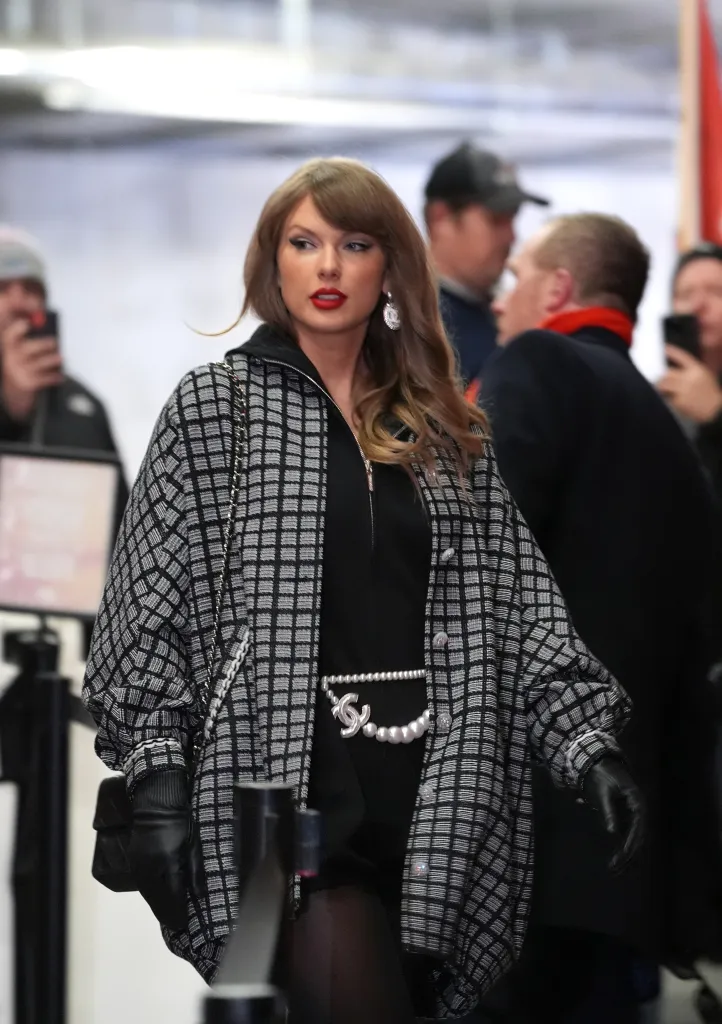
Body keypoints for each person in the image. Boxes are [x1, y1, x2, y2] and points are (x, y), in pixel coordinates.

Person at [82, 161, 643, 1023]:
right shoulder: (218, 410)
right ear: (272, 265)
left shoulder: (441, 428)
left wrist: (584, 745)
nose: (328, 266)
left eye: (353, 245)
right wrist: (158, 772)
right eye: (303, 244)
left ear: (390, 269)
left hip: (442, 791)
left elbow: (520, 602)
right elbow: (145, 606)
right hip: (287, 779)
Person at [481, 213, 722, 1023]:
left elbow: (478, 566)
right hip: (628, 857)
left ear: (557, 289)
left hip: (522, 839)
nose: (502, 300)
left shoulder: (539, 362)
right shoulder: (671, 437)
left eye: (518, 278)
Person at [0, 226, 129, 520]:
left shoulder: (86, 407)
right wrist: (10, 408)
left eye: (31, 289)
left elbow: (125, 522)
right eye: (2, 289)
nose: (19, 302)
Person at [423, 142, 548, 386]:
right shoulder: (411, 322)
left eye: (513, 219)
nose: (511, 236)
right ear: (441, 218)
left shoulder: (507, 316)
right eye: (497, 220)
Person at [659, 241, 722, 508]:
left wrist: (716, 417)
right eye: (685, 295)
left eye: (716, 292)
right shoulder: (649, 400)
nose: (698, 305)